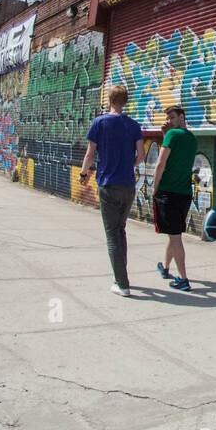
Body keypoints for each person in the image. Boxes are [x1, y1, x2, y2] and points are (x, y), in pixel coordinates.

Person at [79, 85, 145, 297]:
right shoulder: (134, 125)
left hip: (108, 184)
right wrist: (128, 166)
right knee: (120, 230)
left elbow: (90, 154)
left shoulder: (100, 123)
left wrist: (83, 173)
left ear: (109, 100)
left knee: (112, 234)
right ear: (125, 101)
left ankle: (122, 283)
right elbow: (141, 156)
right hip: (128, 185)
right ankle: (121, 275)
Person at [152, 106, 198, 292]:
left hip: (168, 192)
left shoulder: (173, 136)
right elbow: (177, 157)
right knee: (174, 232)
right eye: (168, 118)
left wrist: (154, 189)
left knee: (176, 237)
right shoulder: (192, 138)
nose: (169, 121)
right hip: (184, 193)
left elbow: (161, 163)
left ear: (182, 117)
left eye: (172, 117)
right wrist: (166, 134)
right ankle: (165, 266)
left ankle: (183, 278)